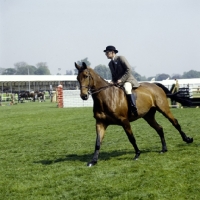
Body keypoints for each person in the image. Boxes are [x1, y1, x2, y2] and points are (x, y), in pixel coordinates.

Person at [103, 45, 140, 116]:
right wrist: (112, 81)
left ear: (112, 52)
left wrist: (122, 80)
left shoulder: (121, 58)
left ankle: (133, 107)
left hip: (128, 80)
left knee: (127, 89)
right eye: (106, 53)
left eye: (107, 53)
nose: (106, 54)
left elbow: (129, 69)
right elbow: (114, 76)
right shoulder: (110, 64)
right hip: (118, 82)